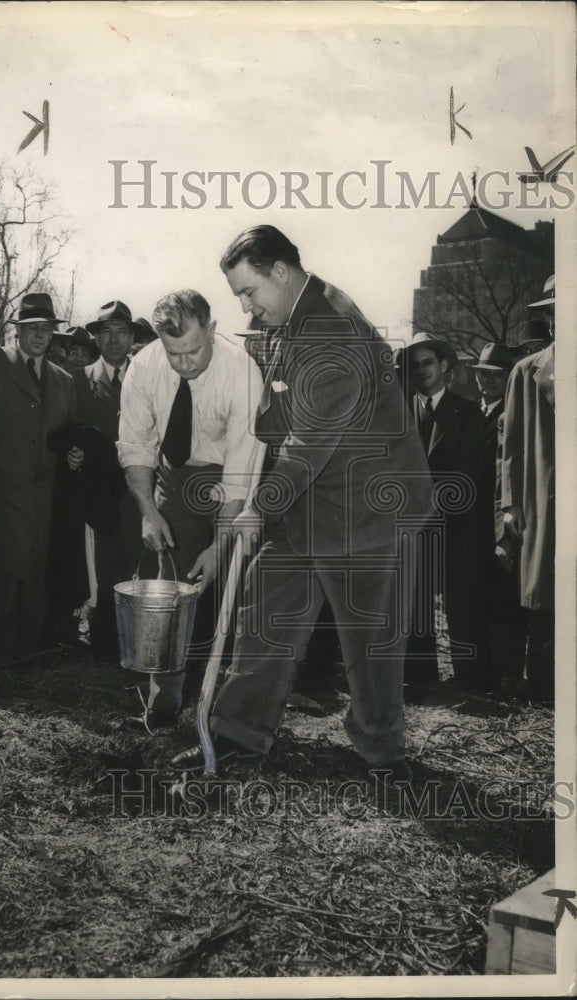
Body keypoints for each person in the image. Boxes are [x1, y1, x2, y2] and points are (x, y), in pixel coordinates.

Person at [171, 227, 434, 786]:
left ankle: (383, 753)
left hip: (364, 506)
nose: (245, 305)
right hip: (309, 500)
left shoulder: (332, 330)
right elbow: (279, 424)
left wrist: (260, 505)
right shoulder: (297, 318)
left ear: (282, 273)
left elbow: (307, 445)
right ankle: (238, 732)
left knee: (368, 640)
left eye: (248, 291)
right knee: (264, 613)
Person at [117, 289, 263, 727]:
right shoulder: (143, 367)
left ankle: (234, 710)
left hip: (231, 481)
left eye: (193, 350)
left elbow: (241, 468)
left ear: (212, 330)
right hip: (176, 478)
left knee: (237, 587)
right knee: (172, 591)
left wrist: (221, 545)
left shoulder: (242, 371)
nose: (183, 363)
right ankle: (164, 703)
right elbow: (137, 446)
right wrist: (149, 510)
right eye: (173, 352)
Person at [0, 292, 81, 667]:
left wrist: (74, 453)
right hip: (1, 487)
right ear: (17, 330)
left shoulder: (65, 381)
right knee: (6, 569)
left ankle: (32, 651)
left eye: (46, 329)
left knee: (39, 570)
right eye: (32, 328)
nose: (40, 336)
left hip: (46, 492)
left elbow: (68, 433)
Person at [395, 331, 489, 692]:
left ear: (444, 365)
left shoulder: (466, 412)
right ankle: (419, 679)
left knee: (461, 601)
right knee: (415, 600)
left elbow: (474, 472)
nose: (421, 371)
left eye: (428, 363)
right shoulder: (398, 413)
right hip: (411, 525)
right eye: (414, 366)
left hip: (456, 524)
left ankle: (473, 680)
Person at [75, 300, 144, 657]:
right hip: (98, 493)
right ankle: (102, 644)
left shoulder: (147, 376)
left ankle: (136, 642)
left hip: (139, 489)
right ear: (96, 338)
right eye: (107, 333)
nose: (115, 340)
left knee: (138, 565)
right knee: (102, 569)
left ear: (132, 337)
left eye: (122, 332)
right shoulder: (77, 379)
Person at [500, 277, 555, 701]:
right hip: (544, 499)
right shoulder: (526, 370)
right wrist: (510, 503)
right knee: (543, 592)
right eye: (550, 312)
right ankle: (541, 683)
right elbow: (512, 445)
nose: (555, 321)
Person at [470, 343, 527, 693]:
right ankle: (486, 675)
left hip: (502, 523)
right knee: (482, 599)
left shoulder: (514, 414)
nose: (486, 381)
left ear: (509, 378)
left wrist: (504, 536)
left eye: (495, 376)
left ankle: (506, 676)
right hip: (474, 527)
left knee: (507, 602)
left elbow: (507, 477)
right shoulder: (473, 412)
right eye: (481, 374)